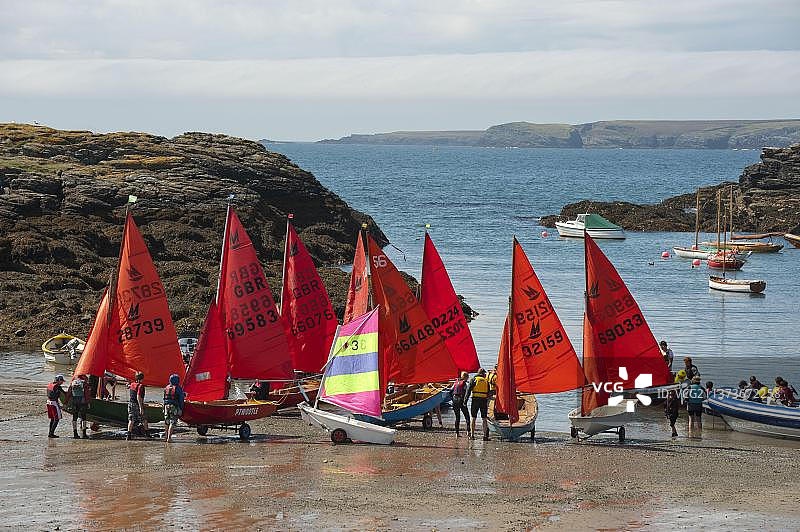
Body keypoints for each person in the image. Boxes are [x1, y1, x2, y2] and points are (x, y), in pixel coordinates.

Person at [466, 368, 490, 441]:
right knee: (484, 418)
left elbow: (468, 390)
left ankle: (472, 435)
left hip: (475, 400)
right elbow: (488, 392)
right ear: (483, 374)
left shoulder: (474, 379)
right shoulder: (486, 381)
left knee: (473, 418)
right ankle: (485, 436)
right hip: (483, 401)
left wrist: (465, 400)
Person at [163, 374, 185, 443]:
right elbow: (181, 399)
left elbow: (164, 398)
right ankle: (169, 438)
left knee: (166, 422)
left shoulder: (166, 387)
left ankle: (165, 437)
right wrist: (181, 408)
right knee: (172, 422)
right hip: (174, 407)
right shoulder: (178, 388)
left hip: (166, 406)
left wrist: (163, 407)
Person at [126, 372, 148, 440]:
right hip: (137, 404)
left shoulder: (132, 384)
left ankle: (128, 436)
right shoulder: (141, 386)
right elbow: (138, 397)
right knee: (144, 419)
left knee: (131, 420)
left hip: (130, 404)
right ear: (142, 379)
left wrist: (128, 384)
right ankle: (147, 434)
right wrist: (141, 407)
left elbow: (128, 386)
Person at [68, 374, 91, 439]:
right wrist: (88, 402)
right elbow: (87, 394)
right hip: (82, 402)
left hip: (74, 402)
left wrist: (66, 402)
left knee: (74, 418)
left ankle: (75, 434)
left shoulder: (73, 382)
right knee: (84, 417)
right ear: (83, 377)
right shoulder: (84, 383)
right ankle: (84, 434)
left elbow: (69, 392)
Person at [451, 372, 471, 438]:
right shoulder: (464, 383)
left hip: (455, 400)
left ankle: (457, 433)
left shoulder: (456, 382)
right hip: (461, 400)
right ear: (465, 377)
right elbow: (467, 392)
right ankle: (468, 431)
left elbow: (451, 391)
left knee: (457, 417)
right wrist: (465, 401)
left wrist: (452, 399)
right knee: (467, 416)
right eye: (467, 377)